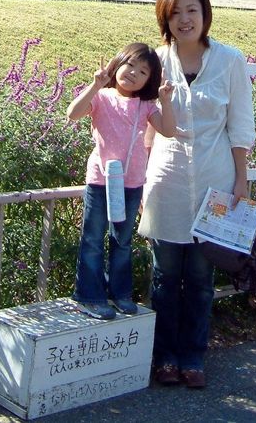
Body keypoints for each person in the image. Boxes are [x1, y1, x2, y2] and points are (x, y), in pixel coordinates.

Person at [138, 0, 256, 388]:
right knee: (165, 277)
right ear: (165, 20)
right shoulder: (154, 61)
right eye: (175, 12)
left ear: (205, 13)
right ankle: (165, 357)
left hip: (215, 183)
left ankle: (193, 357)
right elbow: (146, 127)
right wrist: (139, 180)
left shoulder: (230, 61)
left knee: (202, 280)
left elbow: (240, 125)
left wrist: (241, 181)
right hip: (165, 182)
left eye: (192, 10)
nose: (184, 19)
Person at [67, 42, 177, 320]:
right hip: (101, 179)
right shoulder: (102, 97)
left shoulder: (146, 106)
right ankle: (89, 296)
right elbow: (72, 113)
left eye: (143, 72)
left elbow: (169, 130)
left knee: (123, 240)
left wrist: (165, 100)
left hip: (132, 183)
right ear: (118, 63)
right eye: (130, 65)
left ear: (149, 81)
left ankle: (120, 294)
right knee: (93, 239)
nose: (133, 73)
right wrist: (94, 85)